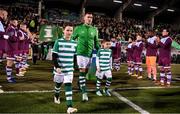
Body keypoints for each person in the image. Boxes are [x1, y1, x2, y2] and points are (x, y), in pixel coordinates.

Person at [72, 12, 100, 101]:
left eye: (91, 17)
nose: (90, 19)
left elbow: (96, 42)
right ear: (84, 18)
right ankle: (84, 93)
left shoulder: (94, 30)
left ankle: (80, 82)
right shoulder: (78, 28)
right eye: (88, 17)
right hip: (80, 53)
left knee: (85, 72)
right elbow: (72, 38)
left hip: (90, 54)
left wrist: (101, 51)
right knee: (82, 70)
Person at [52, 23, 77, 114]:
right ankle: (56, 95)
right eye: (67, 30)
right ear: (63, 31)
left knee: (68, 85)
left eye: (71, 30)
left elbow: (74, 56)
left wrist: (74, 65)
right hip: (59, 69)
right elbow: (54, 55)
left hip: (69, 69)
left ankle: (69, 107)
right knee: (58, 84)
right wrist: (57, 66)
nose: (69, 32)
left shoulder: (75, 43)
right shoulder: (58, 41)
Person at [5, 18, 18, 83]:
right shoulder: (11, 29)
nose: (17, 23)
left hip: (11, 48)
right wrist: (17, 38)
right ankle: (9, 78)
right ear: (12, 22)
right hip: (10, 48)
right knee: (10, 62)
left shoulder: (12, 29)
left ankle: (9, 76)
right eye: (16, 22)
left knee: (11, 62)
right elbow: (10, 38)